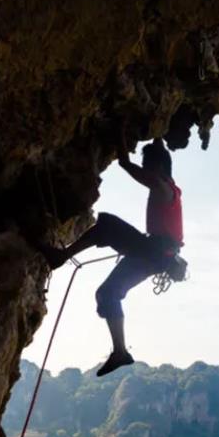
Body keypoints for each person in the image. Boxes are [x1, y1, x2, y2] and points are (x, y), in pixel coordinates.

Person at [37, 132, 184, 377]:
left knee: (105, 224)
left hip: (153, 252)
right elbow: (160, 159)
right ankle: (120, 351)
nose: (146, 170)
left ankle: (60, 257)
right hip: (157, 254)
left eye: (148, 166)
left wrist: (119, 132)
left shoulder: (160, 186)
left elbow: (127, 164)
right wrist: (158, 134)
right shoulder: (171, 188)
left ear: (156, 167)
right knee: (106, 293)